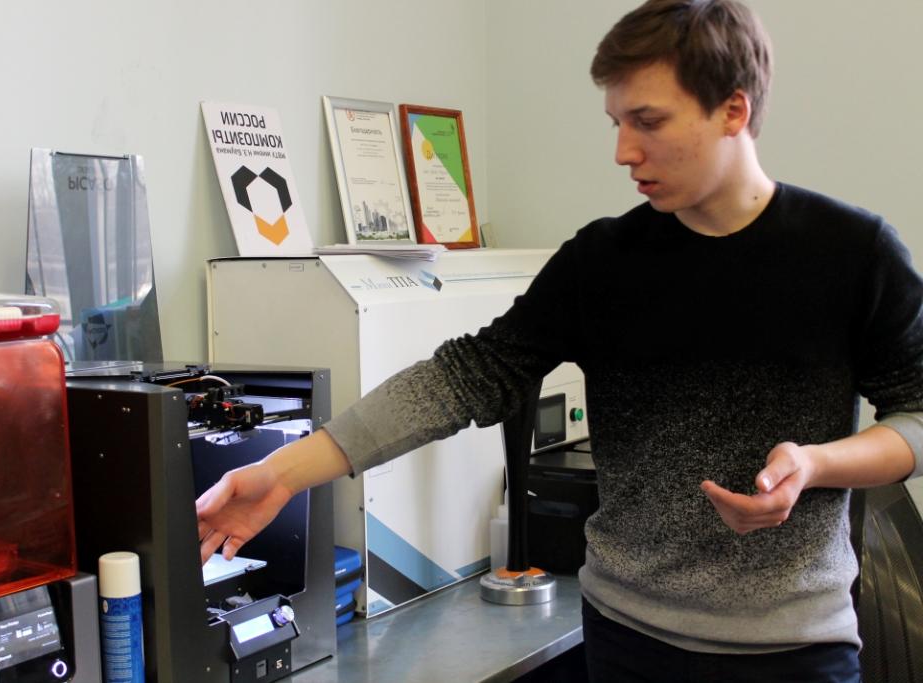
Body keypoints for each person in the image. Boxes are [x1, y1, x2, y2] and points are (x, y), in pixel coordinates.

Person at [196, 1, 923, 680]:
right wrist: (284, 472)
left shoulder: (852, 253)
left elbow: (917, 415)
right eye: (616, 122)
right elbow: (464, 376)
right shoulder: (602, 263)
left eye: (648, 121)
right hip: (626, 640)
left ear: (734, 109)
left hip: (794, 650)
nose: (623, 151)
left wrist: (815, 464)